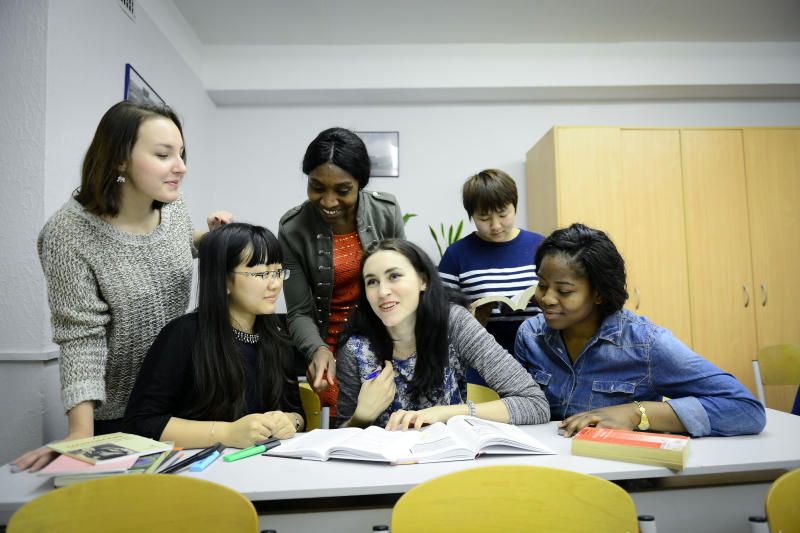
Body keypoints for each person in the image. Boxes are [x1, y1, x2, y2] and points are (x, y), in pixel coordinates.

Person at [13, 101, 231, 472]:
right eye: (164, 155)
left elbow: (169, 247)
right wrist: (80, 431)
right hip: (122, 416)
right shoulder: (68, 235)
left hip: (186, 402)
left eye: (181, 154)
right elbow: (81, 338)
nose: (181, 167)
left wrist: (206, 240)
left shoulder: (172, 207)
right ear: (119, 160)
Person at [514, 223, 766, 438]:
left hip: (625, 476)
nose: (546, 299)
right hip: (549, 468)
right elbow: (519, 406)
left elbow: (746, 410)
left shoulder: (646, 344)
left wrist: (636, 413)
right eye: (542, 285)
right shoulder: (531, 336)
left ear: (599, 292)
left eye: (564, 291)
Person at [336, 239, 550, 430]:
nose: (383, 292)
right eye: (372, 282)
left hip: (451, 467)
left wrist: (447, 413)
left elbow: (534, 403)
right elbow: (339, 443)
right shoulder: (355, 350)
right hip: (382, 472)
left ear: (423, 280)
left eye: (394, 276)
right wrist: (361, 417)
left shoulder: (454, 323)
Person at [124, 223, 304, 448]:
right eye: (261, 274)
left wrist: (290, 421)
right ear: (224, 279)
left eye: (278, 272)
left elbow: (296, 411)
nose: (275, 284)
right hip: (199, 470)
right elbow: (141, 423)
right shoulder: (184, 335)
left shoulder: (276, 335)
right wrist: (226, 433)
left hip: (263, 467)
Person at [279, 127, 405, 424]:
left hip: (386, 343)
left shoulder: (386, 211)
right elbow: (299, 311)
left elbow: (404, 285)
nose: (328, 201)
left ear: (360, 183)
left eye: (342, 190)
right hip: (329, 352)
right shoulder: (293, 228)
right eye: (317, 187)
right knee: (345, 432)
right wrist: (317, 350)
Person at [438, 169, 544, 384]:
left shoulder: (541, 247)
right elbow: (439, 314)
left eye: (503, 214)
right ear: (471, 215)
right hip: (482, 361)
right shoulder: (457, 255)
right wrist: (470, 316)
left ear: (514, 205)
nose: (495, 226)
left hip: (540, 356)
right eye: (484, 218)